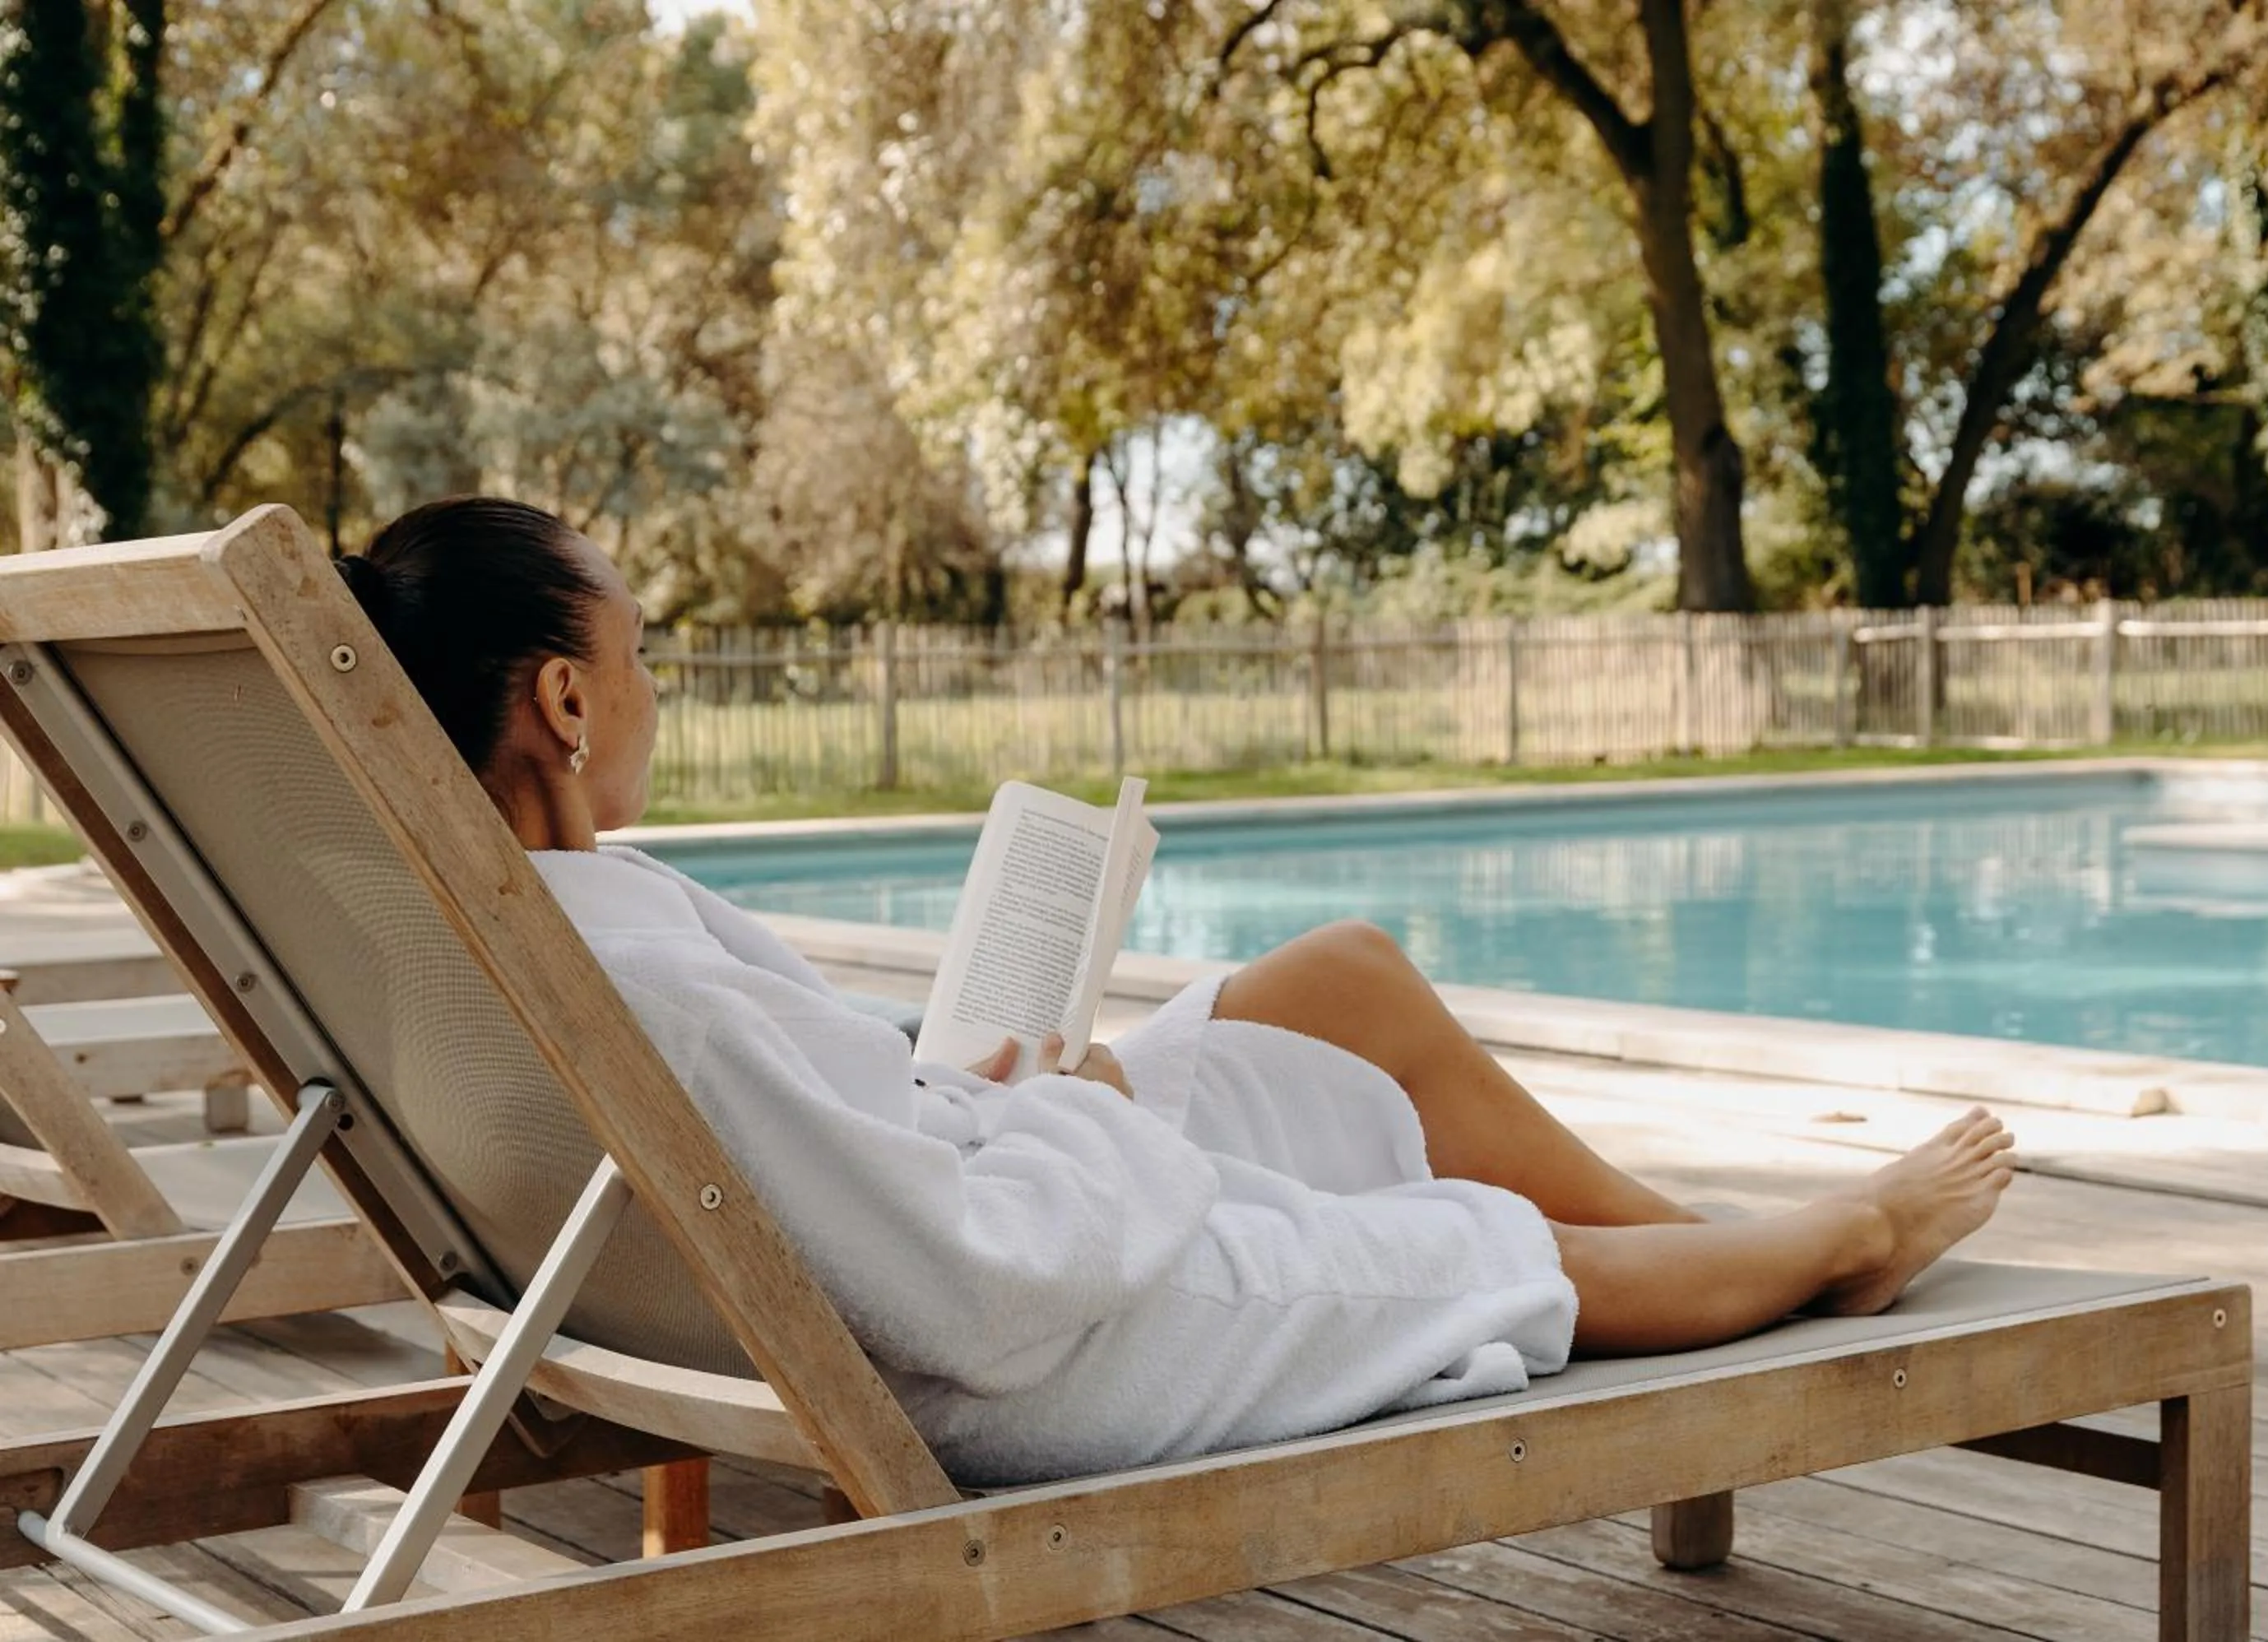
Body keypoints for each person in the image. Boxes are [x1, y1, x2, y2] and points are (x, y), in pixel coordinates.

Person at [336, 495, 2015, 1486]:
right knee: (1465, 1254)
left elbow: (846, 1165)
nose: (656, 694)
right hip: (1043, 1344)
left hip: (975, 1191)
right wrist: (1071, 1112)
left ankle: (1709, 1237)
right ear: (561, 695)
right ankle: (1824, 1247)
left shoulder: (509, 939)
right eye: (642, 659)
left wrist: (1003, 1094)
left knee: (1337, 983)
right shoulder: (636, 985)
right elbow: (972, 1292)